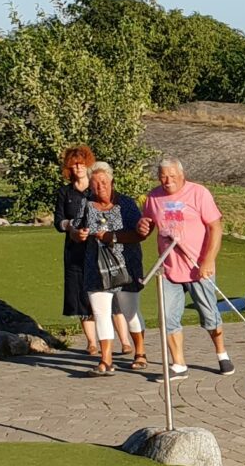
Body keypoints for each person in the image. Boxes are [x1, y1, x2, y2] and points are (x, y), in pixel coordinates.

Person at [137, 156, 230, 378]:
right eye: (163, 177)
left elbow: (215, 227)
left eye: (172, 176)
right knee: (168, 318)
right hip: (168, 268)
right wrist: (142, 226)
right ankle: (178, 365)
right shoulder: (153, 197)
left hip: (197, 267)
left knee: (210, 316)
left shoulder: (199, 193)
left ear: (182, 175)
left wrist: (209, 260)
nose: (167, 181)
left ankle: (222, 354)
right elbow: (147, 225)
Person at [55, 147, 144, 366]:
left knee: (130, 311)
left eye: (103, 182)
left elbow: (139, 234)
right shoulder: (86, 204)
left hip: (125, 265)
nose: (99, 186)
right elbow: (75, 228)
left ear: (111, 181)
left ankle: (140, 353)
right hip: (95, 266)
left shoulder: (126, 203)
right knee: (101, 312)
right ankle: (105, 360)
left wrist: (112, 237)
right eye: (95, 183)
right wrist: (78, 234)